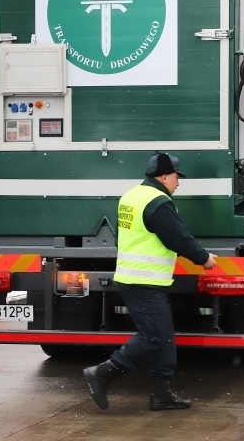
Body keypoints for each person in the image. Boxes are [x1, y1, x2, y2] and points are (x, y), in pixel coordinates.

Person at [83, 153, 218, 412]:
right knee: (154, 336)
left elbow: (130, 237)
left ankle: (161, 393)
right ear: (164, 176)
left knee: (163, 335)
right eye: (177, 177)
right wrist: (203, 258)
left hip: (134, 277)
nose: (178, 183)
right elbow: (177, 237)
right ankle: (103, 373)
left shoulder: (131, 196)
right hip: (143, 280)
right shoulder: (158, 202)